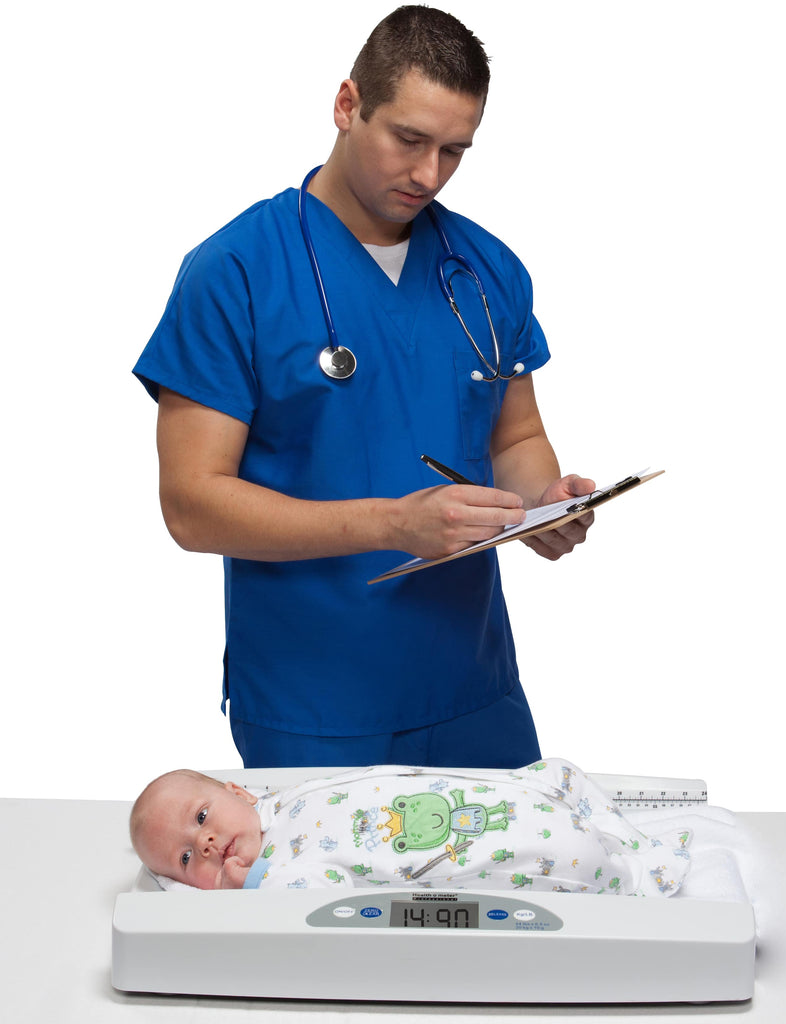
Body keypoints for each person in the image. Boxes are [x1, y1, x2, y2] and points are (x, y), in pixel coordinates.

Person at [133, 6, 596, 770]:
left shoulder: (488, 271)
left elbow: (513, 436)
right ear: (348, 105)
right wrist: (394, 523)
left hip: (474, 691)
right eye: (409, 139)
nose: (429, 174)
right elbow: (191, 505)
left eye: (454, 150)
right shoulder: (235, 271)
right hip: (314, 703)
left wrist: (543, 505)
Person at [130, 760, 691, 896]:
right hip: (524, 848)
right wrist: (253, 881)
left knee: (558, 772)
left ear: (237, 792)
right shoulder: (280, 872)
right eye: (185, 859)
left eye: (200, 818)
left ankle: (628, 837)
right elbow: (317, 895)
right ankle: (631, 870)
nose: (204, 843)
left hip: (514, 788)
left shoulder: (282, 799)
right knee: (576, 855)